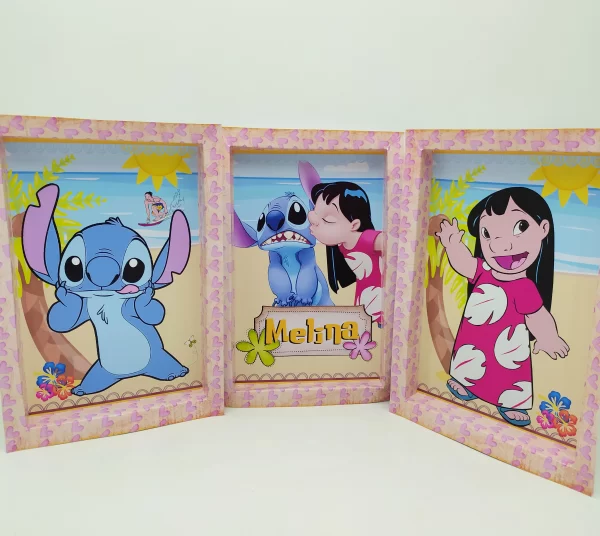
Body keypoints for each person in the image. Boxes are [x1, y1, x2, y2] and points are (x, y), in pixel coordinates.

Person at [436, 186, 568, 427]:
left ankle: (511, 403)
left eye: (520, 227)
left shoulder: (524, 287)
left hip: (508, 345)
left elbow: (537, 316)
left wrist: (549, 337)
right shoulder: (483, 271)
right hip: (475, 339)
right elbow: (463, 262)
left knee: (509, 371)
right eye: (487, 233)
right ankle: (467, 384)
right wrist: (453, 244)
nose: (500, 245)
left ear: (543, 229)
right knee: (470, 358)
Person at [308, 181, 383, 327]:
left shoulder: (367, 239)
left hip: (381, 300)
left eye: (327, 220)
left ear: (354, 225)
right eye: (315, 214)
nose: (314, 222)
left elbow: (395, 243)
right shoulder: (342, 245)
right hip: (365, 297)